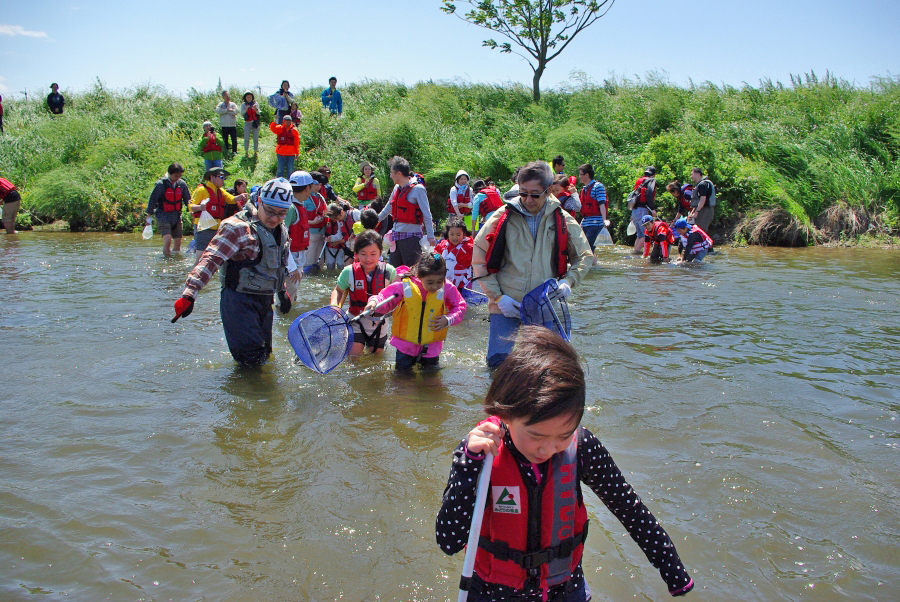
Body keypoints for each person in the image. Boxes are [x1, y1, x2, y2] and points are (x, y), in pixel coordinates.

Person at [436, 326, 695, 601]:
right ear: (505, 415)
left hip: (565, 588)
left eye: (563, 435)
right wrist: (468, 467)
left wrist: (672, 569)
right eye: (536, 436)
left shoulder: (581, 448)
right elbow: (449, 540)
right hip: (493, 592)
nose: (548, 449)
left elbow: (629, 509)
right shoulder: (481, 454)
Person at [472, 161, 593, 368]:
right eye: (523, 193)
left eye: (535, 194)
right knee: (498, 364)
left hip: (544, 303)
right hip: (505, 302)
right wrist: (498, 297)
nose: (528, 199)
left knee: (545, 366)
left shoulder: (562, 219)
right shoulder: (502, 217)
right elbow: (479, 255)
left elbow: (584, 255)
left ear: (548, 191)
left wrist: (569, 282)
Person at [172, 178, 301, 365]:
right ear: (259, 202)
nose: (274, 218)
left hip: (264, 300)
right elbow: (210, 259)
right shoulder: (237, 227)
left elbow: (277, 265)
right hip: (238, 301)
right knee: (251, 360)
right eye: (270, 212)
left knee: (265, 354)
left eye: (281, 214)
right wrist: (190, 294)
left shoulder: (281, 230)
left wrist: (282, 292)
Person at [364, 252, 466, 370]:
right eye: (430, 282)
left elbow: (460, 306)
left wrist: (448, 319)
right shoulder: (404, 285)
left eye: (439, 281)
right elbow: (385, 298)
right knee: (403, 382)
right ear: (419, 275)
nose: (435, 286)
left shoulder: (447, 287)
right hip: (405, 346)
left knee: (431, 383)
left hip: (432, 347)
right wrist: (374, 302)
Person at [330, 230, 399, 356]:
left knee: (376, 358)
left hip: (380, 323)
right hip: (355, 320)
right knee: (354, 356)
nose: (368, 259)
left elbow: (399, 294)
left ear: (380, 253)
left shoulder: (390, 272)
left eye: (373, 254)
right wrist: (334, 306)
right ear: (356, 254)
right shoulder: (348, 272)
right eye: (363, 254)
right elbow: (338, 290)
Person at [377, 156, 436, 268]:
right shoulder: (396, 188)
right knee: (393, 271)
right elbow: (389, 207)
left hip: (411, 237)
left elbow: (427, 214)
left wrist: (431, 237)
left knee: (412, 271)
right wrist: (376, 220)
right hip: (396, 236)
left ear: (399, 173)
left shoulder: (418, 189)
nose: (390, 175)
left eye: (391, 173)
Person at [189, 168, 248, 258]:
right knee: (200, 257)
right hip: (203, 227)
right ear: (212, 177)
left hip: (216, 229)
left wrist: (241, 196)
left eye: (224, 178)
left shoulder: (220, 191)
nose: (223, 180)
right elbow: (191, 207)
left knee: (213, 257)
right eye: (221, 177)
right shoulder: (202, 190)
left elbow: (231, 199)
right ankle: (194, 272)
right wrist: (200, 207)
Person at [146, 163, 191, 256]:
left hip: (176, 216)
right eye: (176, 176)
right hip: (163, 215)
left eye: (179, 176)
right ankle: (167, 260)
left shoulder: (182, 184)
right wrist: (148, 216)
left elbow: (188, 199)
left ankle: (175, 260)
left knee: (178, 240)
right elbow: (153, 200)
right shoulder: (160, 184)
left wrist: (191, 211)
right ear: (170, 174)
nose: (178, 178)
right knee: (168, 239)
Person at [285, 170, 313, 302]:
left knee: (292, 297)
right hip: (290, 262)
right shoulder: (291, 209)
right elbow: (281, 238)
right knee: (286, 300)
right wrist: (292, 267)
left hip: (297, 260)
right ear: (307, 188)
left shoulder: (299, 206)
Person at [576, 163, 609, 251]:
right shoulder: (585, 189)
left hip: (596, 223)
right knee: (585, 248)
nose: (579, 176)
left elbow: (602, 204)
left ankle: (590, 264)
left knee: (588, 248)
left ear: (587, 175)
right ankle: (593, 264)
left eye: (580, 174)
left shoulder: (598, 187)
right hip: (586, 222)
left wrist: (604, 220)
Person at [434, 217, 473, 289]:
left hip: (462, 286)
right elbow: (435, 255)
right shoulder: (443, 245)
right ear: (447, 233)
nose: (455, 237)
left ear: (464, 234)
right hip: (444, 283)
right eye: (452, 234)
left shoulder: (469, 248)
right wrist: (436, 258)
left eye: (458, 235)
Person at [303, 172, 328, 273]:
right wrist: (313, 222)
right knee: (308, 262)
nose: (318, 187)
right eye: (316, 184)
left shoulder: (320, 197)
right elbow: (300, 219)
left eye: (320, 185)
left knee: (320, 264)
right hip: (310, 233)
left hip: (321, 233)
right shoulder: (305, 198)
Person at [630, 167, 658, 254]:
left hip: (634, 210)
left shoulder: (640, 181)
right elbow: (649, 195)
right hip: (642, 210)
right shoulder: (651, 181)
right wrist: (652, 208)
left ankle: (635, 251)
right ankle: (635, 253)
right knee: (645, 233)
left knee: (639, 235)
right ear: (653, 174)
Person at [269, 114, 299, 178]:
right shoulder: (279, 128)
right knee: (280, 170)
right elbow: (272, 128)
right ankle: (279, 182)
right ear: (283, 121)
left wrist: (297, 153)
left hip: (291, 153)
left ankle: (290, 182)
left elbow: (297, 143)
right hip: (281, 153)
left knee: (290, 170)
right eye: (286, 121)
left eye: (289, 121)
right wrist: (275, 120)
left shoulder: (294, 130)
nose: (288, 122)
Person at [323, 203, 351, 270]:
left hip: (342, 247)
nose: (335, 220)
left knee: (342, 267)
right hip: (331, 248)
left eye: (336, 218)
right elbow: (340, 234)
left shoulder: (350, 216)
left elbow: (345, 236)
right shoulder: (336, 221)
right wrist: (330, 238)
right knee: (330, 267)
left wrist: (338, 242)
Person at [688, 168, 716, 233]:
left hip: (705, 210)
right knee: (698, 229)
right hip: (702, 209)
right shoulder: (700, 184)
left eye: (692, 174)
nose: (691, 176)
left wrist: (696, 212)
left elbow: (703, 199)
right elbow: (697, 201)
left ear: (698, 174)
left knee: (701, 230)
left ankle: (704, 243)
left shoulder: (703, 184)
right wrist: (692, 212)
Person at [215, 90, 239, 156]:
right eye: (226, 95)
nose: (228, 96)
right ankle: (226, 151)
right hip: (224, 125)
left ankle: (234, 151)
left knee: (234, 138)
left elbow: (236, 111)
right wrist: (227, 110)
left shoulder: (233, 104)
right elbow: (218, 111)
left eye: (228, 95)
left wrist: (225, 111)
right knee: (225, 139)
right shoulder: (220, 105)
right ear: (223, 97)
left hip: (232, 124)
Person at [240, 91, 260, 156]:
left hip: (255, 122)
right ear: (245, 98)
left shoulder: (255, 103)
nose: (249, 98)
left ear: (252, 97)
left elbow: (259, 113)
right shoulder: (243, 104)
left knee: (256, 138)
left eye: (250, 97)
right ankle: (246, 152)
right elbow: (242, 113)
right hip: (247, 122)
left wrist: (256, 109)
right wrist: (246, 109)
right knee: (246, 138)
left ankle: (255, 152)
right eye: (247, 97)